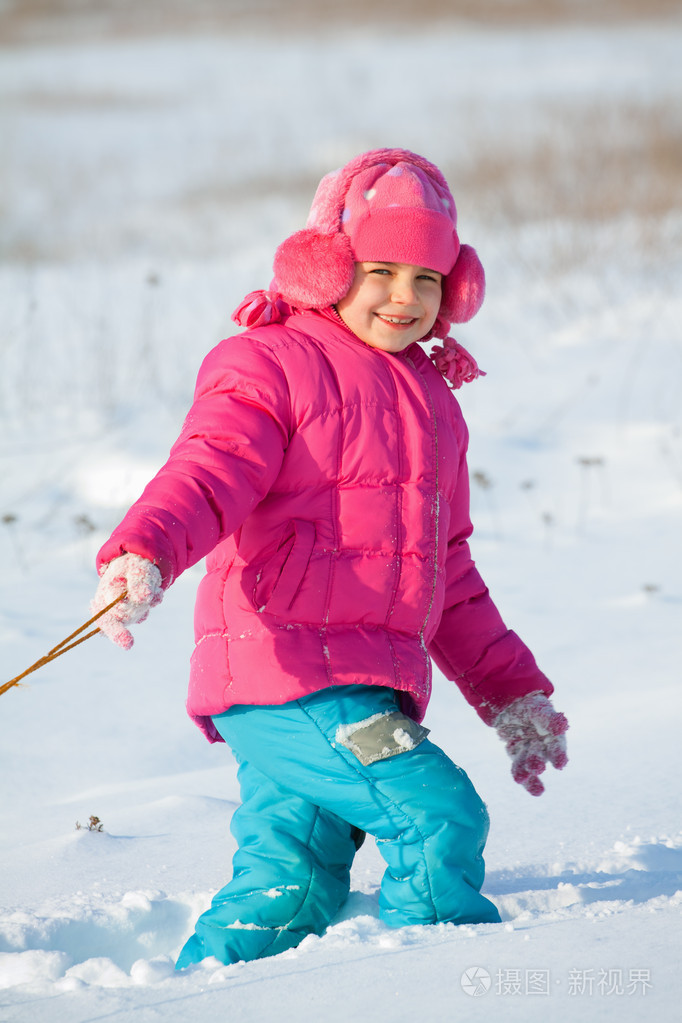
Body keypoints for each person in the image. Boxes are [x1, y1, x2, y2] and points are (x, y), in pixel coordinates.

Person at [91, 148, 568, 968]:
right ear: (329, 265)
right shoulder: (271, 363)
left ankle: (209, 987)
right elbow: (209, 470)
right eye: (382, 268)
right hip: (289, 675)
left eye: (426, 278)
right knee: (437, 813)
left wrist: (511, 691)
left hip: (359, 683)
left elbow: (446, 573)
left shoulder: (433, 406)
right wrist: (146, 551)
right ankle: (440, 972)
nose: (403, 296)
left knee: (292, 881)